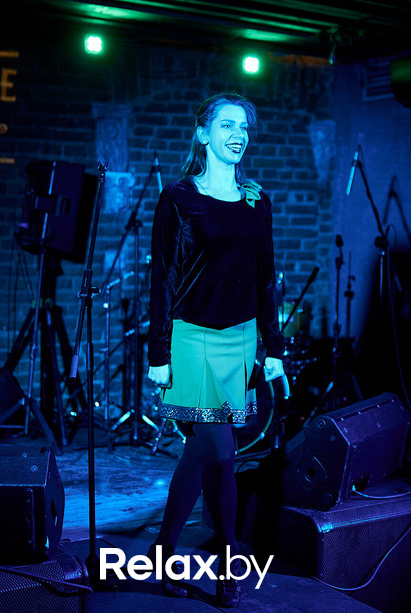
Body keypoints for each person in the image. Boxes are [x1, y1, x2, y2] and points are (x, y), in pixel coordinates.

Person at [146, 92, 285, 607]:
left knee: (200, 451)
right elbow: (163, 280)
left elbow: (266, 279)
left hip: (241, 338)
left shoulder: (256, 200)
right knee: (223, 457)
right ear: (203, 134)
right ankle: (228, 563)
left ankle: (162, 551)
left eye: (244, 127)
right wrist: (158, 354)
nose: (238, 135)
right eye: (227, 125)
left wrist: (273, 348)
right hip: (193, 340)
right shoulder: (179, 198)